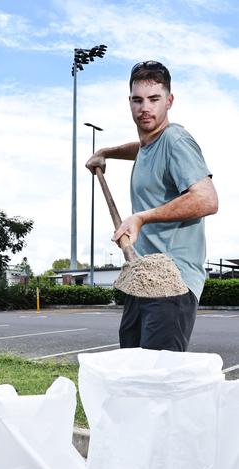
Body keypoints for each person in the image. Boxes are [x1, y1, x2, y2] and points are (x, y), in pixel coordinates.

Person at [86, 60, 218, 352]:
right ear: (130, 102)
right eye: (138, 100)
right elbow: (141, 148)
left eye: (154, 99)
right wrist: (105, 152)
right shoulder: (151, 143)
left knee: (157, 381)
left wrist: (141, 218)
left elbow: (207, 199)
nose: (145, 108)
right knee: (131, 372)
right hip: (142, 275)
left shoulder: (176, 140)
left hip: (172, 280)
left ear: (169, 101)